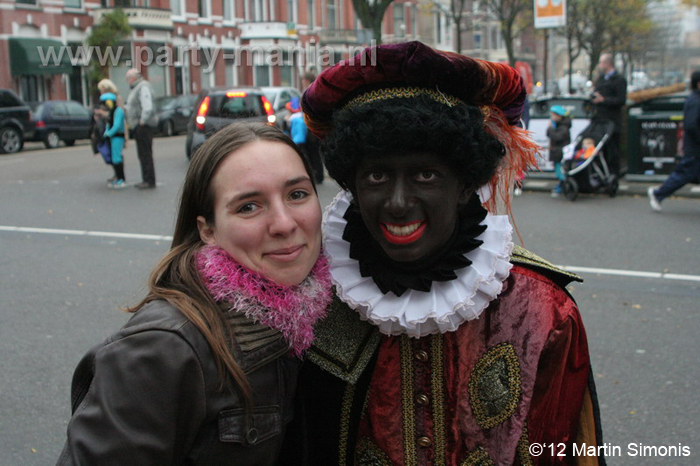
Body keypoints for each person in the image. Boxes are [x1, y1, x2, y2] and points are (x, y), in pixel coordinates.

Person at [290, 41, 604, 465]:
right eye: (378, 175)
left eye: (425, 174)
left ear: (462, 185)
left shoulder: (545, 310)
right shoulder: (311, 298)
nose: (398, 202)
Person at [55, 122, 332, 465]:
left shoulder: (329, 309)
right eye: (248, 206)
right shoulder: (164, 349)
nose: (284, 223)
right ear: (208, 230)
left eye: (297, 194)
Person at [648, 70, 700, 211]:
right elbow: (691, 125)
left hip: (694, 147)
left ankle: (658, 194)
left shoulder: (695, 99)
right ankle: (658, 194)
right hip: (695, 148)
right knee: (683, 174)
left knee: (684, 174)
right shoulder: (696, 101)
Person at [591, 53, 627, 177]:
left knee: (613, 150)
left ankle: (613, 175)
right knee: (601, 149)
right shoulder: (601, 79)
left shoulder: (619, 80)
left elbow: (621, 100)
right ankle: (602, 174)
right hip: (600, 120)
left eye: (601, 62)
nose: (599, 65)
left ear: (607, 63)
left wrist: (604, 100)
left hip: (612, 121)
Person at [125, 68, 157, 189]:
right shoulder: (138, 87)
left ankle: (149, 180)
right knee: (142, 154)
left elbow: (147, 107)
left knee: (145, 154)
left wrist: (142, 122)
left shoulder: (143, 87)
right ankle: (146, 178)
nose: (127, 81)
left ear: (133, 78)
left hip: (143, 126)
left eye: (128, 78)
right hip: (139, 125)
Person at [98, 93, 127, 189]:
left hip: (117, 137)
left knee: (117, 158)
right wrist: (106, 133)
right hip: (113, 137)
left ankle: (122, 179)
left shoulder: (118, 111)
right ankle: (118, 178)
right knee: (114, 158)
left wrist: (109, 134)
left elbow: (117, 125)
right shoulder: (112, 111)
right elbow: (108, 124)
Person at [548, 105, 572, 197]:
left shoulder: (564, 127)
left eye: (553, 115)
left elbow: (557, 137)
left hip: (560, 153)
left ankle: (564, 185)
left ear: (559, 116)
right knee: (558, 170)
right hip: (557, 152)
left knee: (560, 171)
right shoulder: (558, 125)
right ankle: (562, 184)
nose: (551, 117)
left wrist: (550, 129)